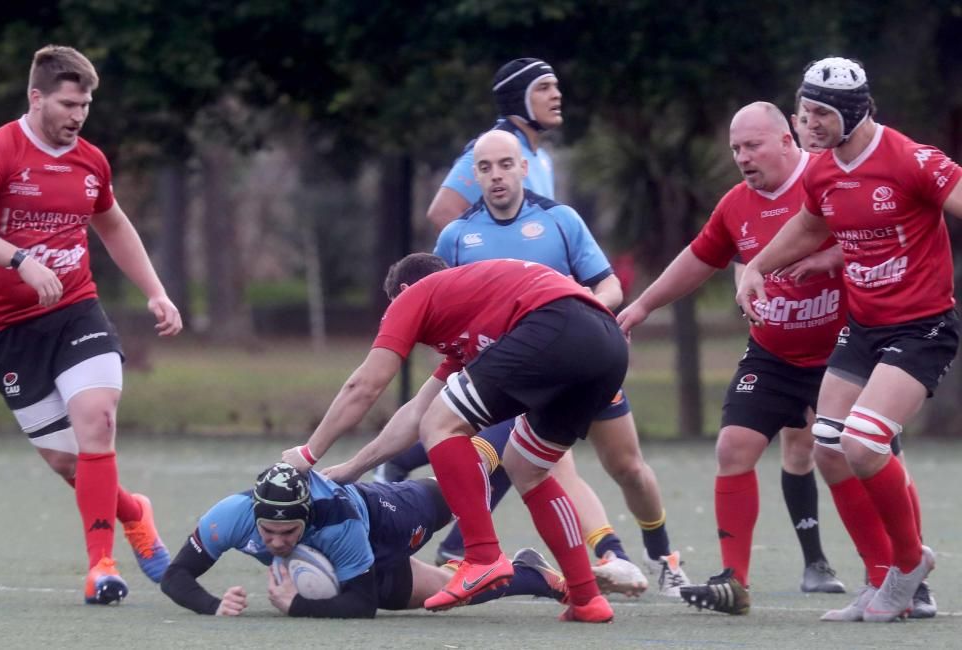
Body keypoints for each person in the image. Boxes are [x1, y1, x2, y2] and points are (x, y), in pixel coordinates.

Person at [382, 62, 687, 599]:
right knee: (523, 459)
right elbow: (448, 306)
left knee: (627, 466)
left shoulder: (560, 219)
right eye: (486, 166)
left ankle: (663, 555)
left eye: (506, 164)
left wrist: (586, 316)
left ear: (523, 168)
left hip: (577, 355)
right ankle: (579, 563)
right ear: (473, 174)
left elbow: (610, 286)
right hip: (511, 370)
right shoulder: (456, 237)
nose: (497, 174)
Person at [282, 253, 631, 623]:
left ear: (403, 291)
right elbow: (415, 414)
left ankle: (482, 557)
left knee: (443, 423)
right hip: (608, 347)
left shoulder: (415, 295)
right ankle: (586, 597)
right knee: (526, 469)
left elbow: (365, 385)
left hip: (558, 323)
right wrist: (353, 468)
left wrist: (309, 452)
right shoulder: (474, 325)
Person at [736, 57, 961, 622]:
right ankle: (891, 575)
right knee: (829, 448)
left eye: (818, 113)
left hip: (922, 326)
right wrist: (758, 265)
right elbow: (812, 226)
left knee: (863, 444)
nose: (805, 124)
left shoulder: (911, 160)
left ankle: (906, 569)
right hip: (862, 329)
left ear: (852, 112)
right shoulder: (822, 168)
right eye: (803, 110)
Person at [0, 45, 183, 604]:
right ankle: (134, 512)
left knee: (96, 419)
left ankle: (101, 567)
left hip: (76, 311)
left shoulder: (89, 161)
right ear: (36, 97)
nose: (77, 115)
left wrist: (156, 292)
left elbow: (113, 225)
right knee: (68, 461)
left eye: (85, 105)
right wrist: (18, 258)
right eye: (67, 103)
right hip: (10, 329)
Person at [618, 102, 847, 615]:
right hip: (773, 356)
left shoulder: (830, 181)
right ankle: (734, 582)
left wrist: (823, 259)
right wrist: (644, 305)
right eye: (736, 149)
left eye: (753, 146)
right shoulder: (737, 205)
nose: (742, 157)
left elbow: (872, 243)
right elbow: (699, 258)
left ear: (788, 140)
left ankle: (896, 573)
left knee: (858, 456)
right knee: (733, 448)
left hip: (846, 351)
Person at [160, 462, 566, 617]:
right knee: (445, 593)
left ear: (307, 516)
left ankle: (499, 452)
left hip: (385, 517)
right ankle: (530, 573)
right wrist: (214, 606)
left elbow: (359, 607)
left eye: (290, 532)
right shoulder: (231, 515)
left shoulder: (338, 522)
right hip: (363, 564)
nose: (279, 542)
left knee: (458, 490)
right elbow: (176, 576)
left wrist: (296, 606)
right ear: (253, 517)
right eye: (268, 532)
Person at [425, 57, 561, 230]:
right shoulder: (490, 152)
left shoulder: (543, 158)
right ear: (519, 99)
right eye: (543, 88)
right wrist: (491, 251)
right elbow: (442, 212)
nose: (556, 94)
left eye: (555, 86)